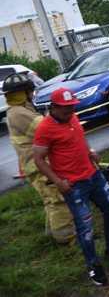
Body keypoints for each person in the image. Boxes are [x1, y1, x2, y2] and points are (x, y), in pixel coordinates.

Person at [33, 87, 109, 286]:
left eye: (72, 107)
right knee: (85, 227)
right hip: (74, 185)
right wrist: (58, 181)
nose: (70, 111)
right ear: (53, 107)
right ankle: (93, 265)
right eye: (65, 108)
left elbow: (79, 137)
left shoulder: (71, 118)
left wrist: (91, 152)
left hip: (94, 174)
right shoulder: (45, 128)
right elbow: (39, 159)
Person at [3, 74, 75, 244]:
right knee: (57, 199)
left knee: (50, 199)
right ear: (24, 93)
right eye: (30, 91)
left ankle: (52, 233)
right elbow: (48, 129)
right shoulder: (20, 113)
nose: (33, 94)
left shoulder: (17, 110)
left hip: (33, 165)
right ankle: (66, 237)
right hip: (37, 166)